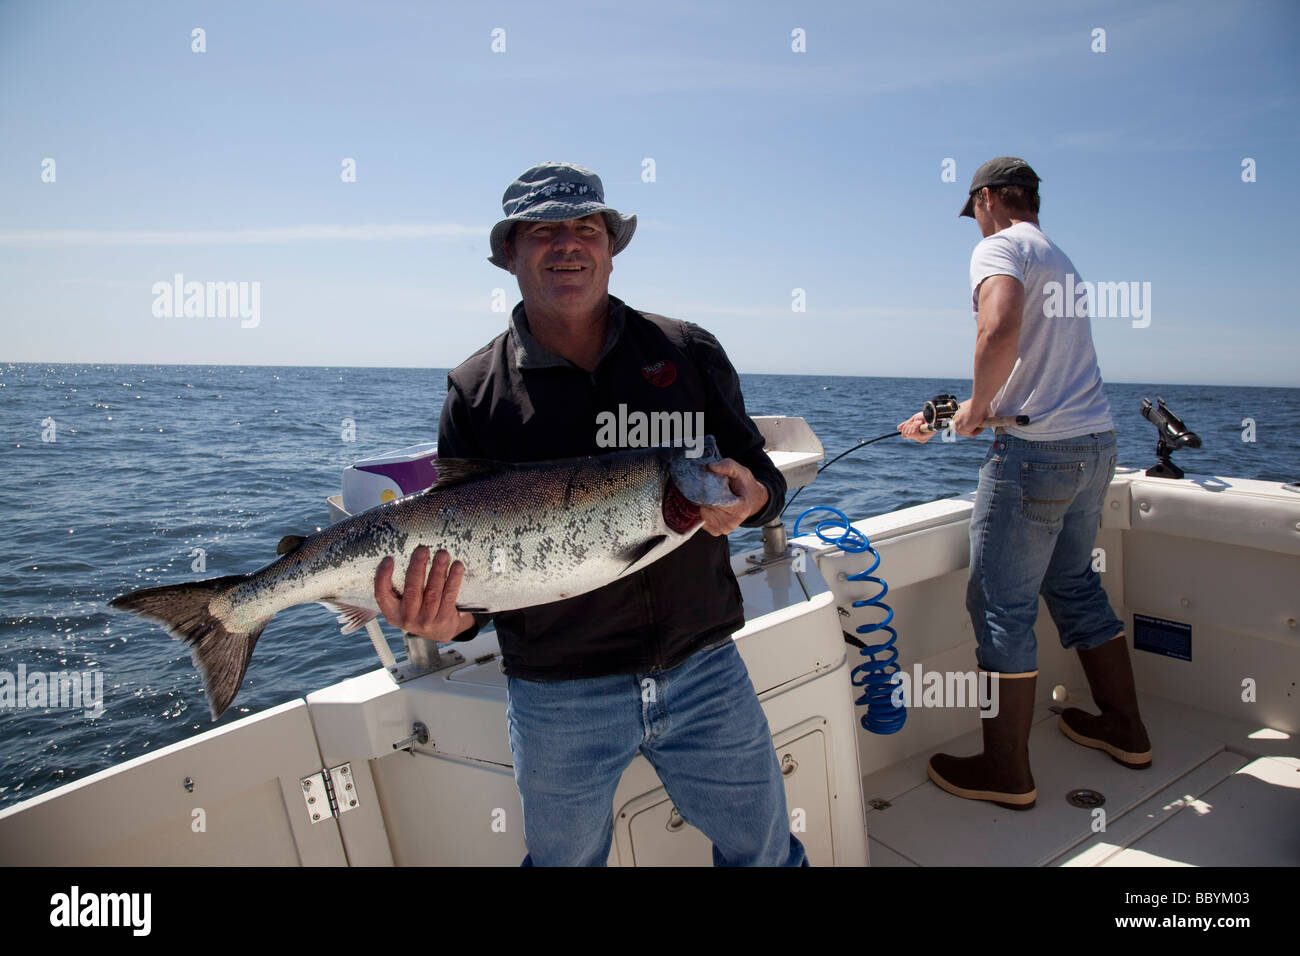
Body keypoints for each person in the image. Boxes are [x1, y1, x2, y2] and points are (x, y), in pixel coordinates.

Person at [373, 162, 807, 866]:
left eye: (586, 228)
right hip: (557, 694)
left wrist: (757, 498)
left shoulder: (686, 351)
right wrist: (446, 619)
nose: (568, 244)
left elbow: (758, 473)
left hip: (705, 668)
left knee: (764, 855)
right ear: (508, 254)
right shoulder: (476, 391)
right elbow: (475, 579)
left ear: (610, 247)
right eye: (543, 230)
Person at [898, 157, 1152, 811]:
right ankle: (1126, 729)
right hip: (1095, 446)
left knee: (1000, 608)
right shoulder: (1058, 257)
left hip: (1035, 458)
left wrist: (977, 409)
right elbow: (1036, 372)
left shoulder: (999, 247)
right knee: (1073, 585)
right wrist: (959, 414)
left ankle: (1006, 770)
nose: (974, 225)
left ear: (986, 200)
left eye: (973, 212)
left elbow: (1000, 328)